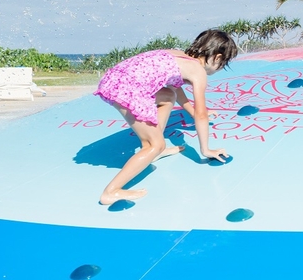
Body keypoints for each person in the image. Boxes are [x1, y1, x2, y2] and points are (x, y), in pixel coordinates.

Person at [94, 29, 238, 205]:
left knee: (168, 96)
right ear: (217, 58)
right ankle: (111, 191)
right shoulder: (198, 72)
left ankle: (154, 150)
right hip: (128, 87)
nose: (220, 68)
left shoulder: (179, 56)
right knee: (154, 145)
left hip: (114, 78)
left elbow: (177, 91)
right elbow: (201, 114)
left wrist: (192, 113)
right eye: (223, 64)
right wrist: (206, 150)